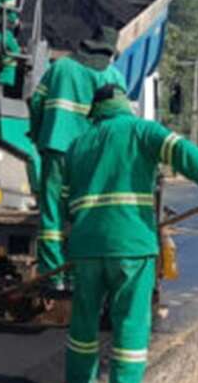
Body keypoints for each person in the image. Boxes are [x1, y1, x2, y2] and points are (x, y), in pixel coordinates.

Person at [62, 84, 198, 383]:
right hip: (131, 245)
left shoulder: (77, 145)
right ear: (124, 105)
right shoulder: (141, 130)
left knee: (83, 319)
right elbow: (182, 152)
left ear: (96, 110)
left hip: (86, 247)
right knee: (130, 318)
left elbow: (63, 198)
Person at [28, 49, 128, 295]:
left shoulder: (60, 67)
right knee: (81, 212)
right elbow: (119, 120)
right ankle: (76, 274)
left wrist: (38, 134)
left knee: (52, 213)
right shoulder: (113, 75)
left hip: (56, 146)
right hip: (89, 153)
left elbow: (36, 102)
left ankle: (54, 276)